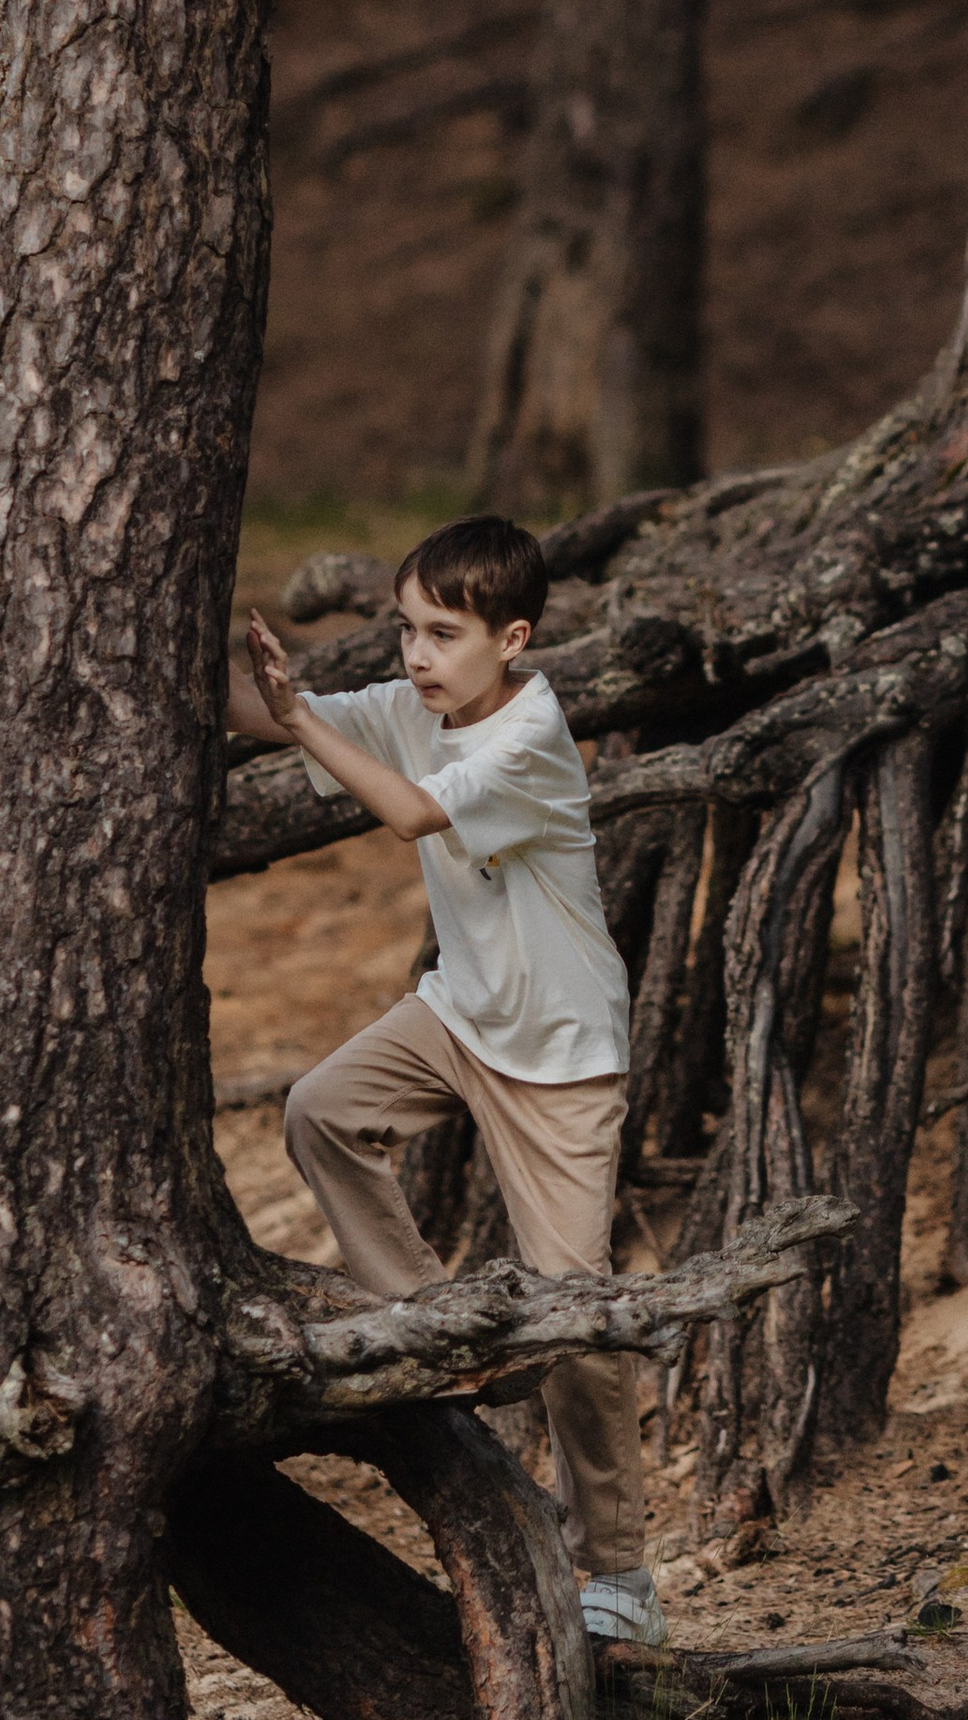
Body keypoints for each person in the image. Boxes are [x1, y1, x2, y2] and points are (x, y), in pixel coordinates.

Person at [230, 514, 665, 1650]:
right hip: (458, 1015)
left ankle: (621, 1573)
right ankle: (438, 1330)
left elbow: (413, 811)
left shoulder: (529, 735)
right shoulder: (412, 708)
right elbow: (269, 715)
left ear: (510, 640)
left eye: (442, 634)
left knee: (575, 1315)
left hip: (562, 1053)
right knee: (322, 1112)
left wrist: (298, 721)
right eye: (407, 630)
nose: (417, 656)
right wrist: (211, 667)